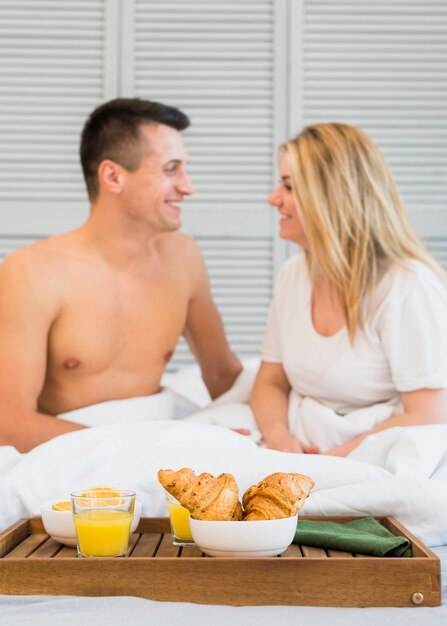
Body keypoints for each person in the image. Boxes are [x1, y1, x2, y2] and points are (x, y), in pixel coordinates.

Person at [0, 98, 242, 453]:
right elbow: (10, 423)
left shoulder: (183, 257)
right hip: (76, 457)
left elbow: (223, 376)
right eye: (171, 169)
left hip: (158, 449)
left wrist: (281, 424)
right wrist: (140, 446)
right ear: (113, 177)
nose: (188, 187)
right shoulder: (32, 273)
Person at [250, 122, 447, 457]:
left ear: (332, 197)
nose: (273, 199)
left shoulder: (407, 286)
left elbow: (429, 414)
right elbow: (270, 382)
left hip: (372, 448)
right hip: (301, 436)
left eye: (288, 186)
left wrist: (326, 464)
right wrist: (280, 440)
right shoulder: (292, 274)